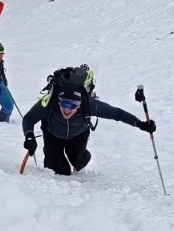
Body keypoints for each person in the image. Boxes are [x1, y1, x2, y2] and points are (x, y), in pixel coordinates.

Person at [21, 67, 155, 175]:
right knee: (56, 170)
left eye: (72, 105)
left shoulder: (89, 104)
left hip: (78, 134)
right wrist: (29, 136)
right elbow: (29, 119)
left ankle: (80, 159)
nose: (67, 110)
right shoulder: (50, 102)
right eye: (64, 104)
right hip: (52, 133)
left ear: (80, 104)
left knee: (78, 160)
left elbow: (117, 114)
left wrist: (140, 124)